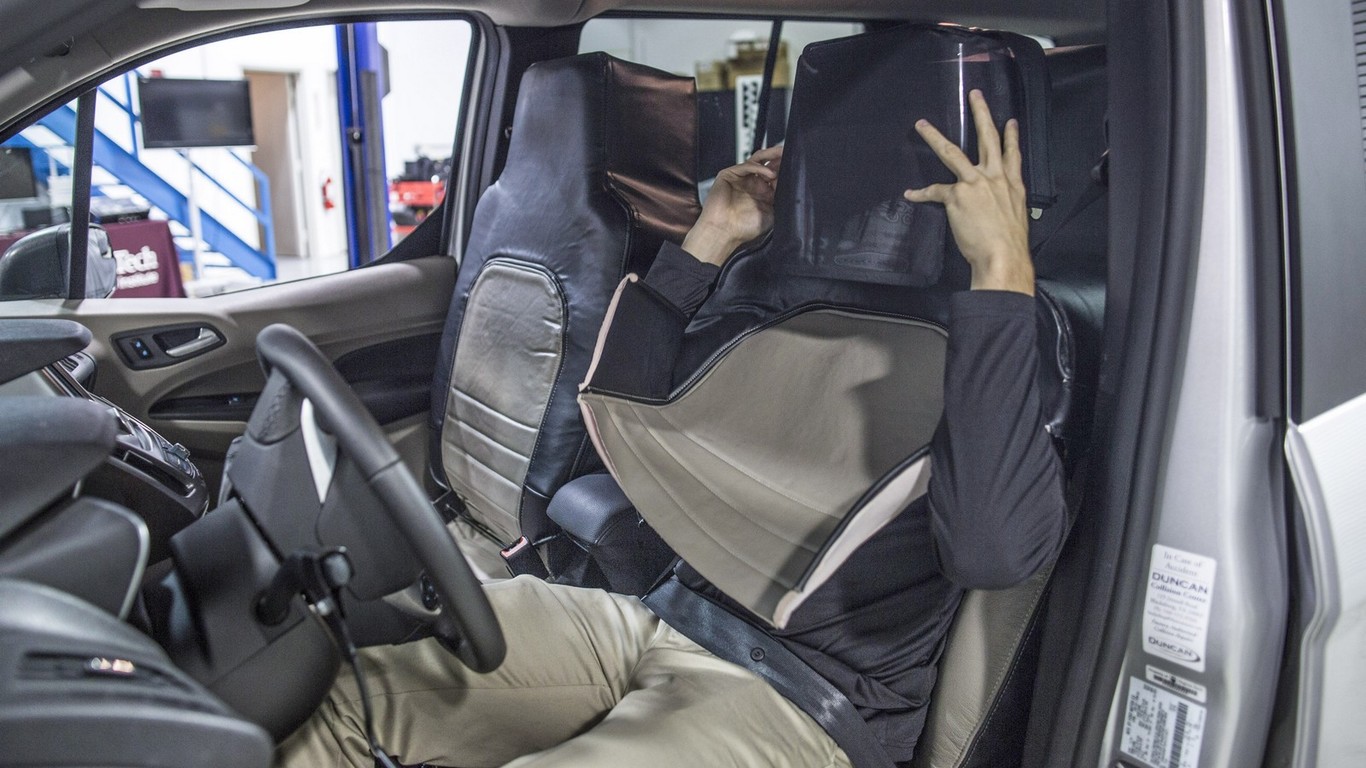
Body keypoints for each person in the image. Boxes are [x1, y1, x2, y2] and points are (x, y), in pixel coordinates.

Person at [277, 90, 1066, 768]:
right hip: (663, 611)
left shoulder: (1006, 336)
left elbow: (990, 550)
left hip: (804, 699)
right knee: (342, 700)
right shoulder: (784, 283)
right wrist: (716, 235)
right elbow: (626, 408)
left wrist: (1000, 272)